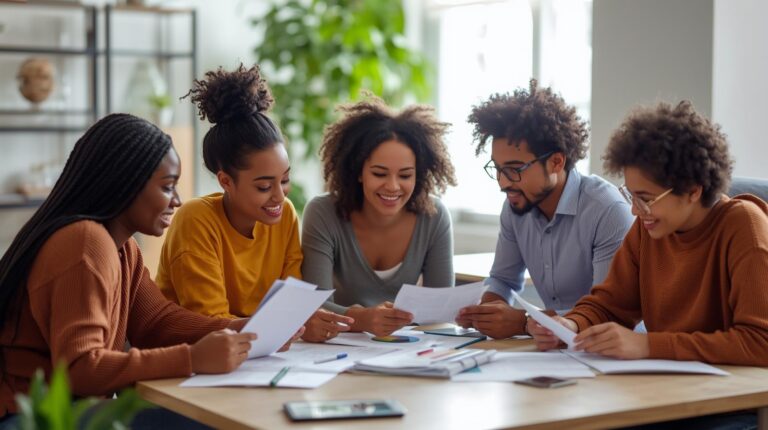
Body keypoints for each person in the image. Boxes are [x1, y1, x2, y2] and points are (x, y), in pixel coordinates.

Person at [0, 114, 296, 429]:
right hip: (30, 418)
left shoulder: (124, 248)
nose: (178, 201)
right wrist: (193, 358)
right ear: (125, 184)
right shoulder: (86, 242)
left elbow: (155, 322)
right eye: (167, 187)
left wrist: (242, 329)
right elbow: (82, 367)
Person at [529, 100, 768, 430]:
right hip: (669, 395)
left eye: (645, 198)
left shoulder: (745, 226)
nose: (635, 211)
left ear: (693, 190)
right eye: (631, 196)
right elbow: (611, 305)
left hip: (732, 403)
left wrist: (647, 345)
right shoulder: (649, 229)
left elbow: (760, 343)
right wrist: (572, 327)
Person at [154, 64, 351, 343]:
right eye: (263, 186)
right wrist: (290, 325)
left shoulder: (285, 216)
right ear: (225, 181)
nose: (280, 196)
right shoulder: (196, 220)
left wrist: (302, 322)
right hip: (188, 357)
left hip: (258, 352)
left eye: (284, 180)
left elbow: (293, 304)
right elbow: (212, 324)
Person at [456, 79, 635, 339]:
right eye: (497, 168)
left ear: (556, 162)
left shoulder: (607, 211)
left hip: (612, 355)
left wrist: (523, 322)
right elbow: (503, 280)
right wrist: (486, 311)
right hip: (554, 352)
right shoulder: (516, 206)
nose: (503, 183)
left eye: (514, 170)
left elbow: (608, 312)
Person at [301, 97, 457, 337]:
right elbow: (312, 305)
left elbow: (441, 310)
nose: (393, 186)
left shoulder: (434, 218)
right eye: (379, 173)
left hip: (407, 348)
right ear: (359, 171)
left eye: (405, 175)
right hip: (338, 347)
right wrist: (363, 319)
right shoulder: (323, 213)